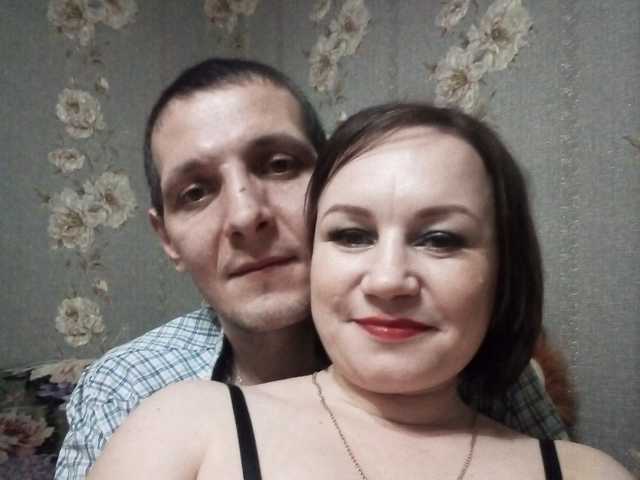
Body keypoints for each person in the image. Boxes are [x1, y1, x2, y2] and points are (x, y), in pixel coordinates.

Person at [56, 59, 566, 479]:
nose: (246, 216)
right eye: (195, 193)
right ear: (167, 238)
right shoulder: (128, 390)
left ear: (333, 183)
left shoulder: (475, 361)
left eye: (279, 165)